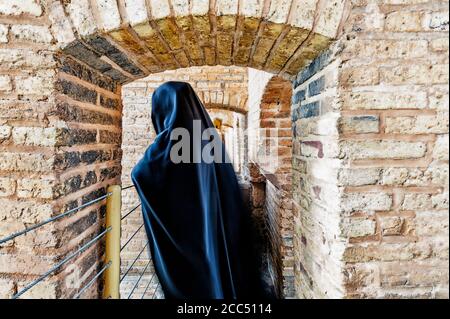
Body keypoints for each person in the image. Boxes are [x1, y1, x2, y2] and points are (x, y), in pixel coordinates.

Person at [132, 82, 262, 299]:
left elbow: (141, 174)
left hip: (188, 242)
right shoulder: (208, 139)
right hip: (212, 233)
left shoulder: (170, 142)